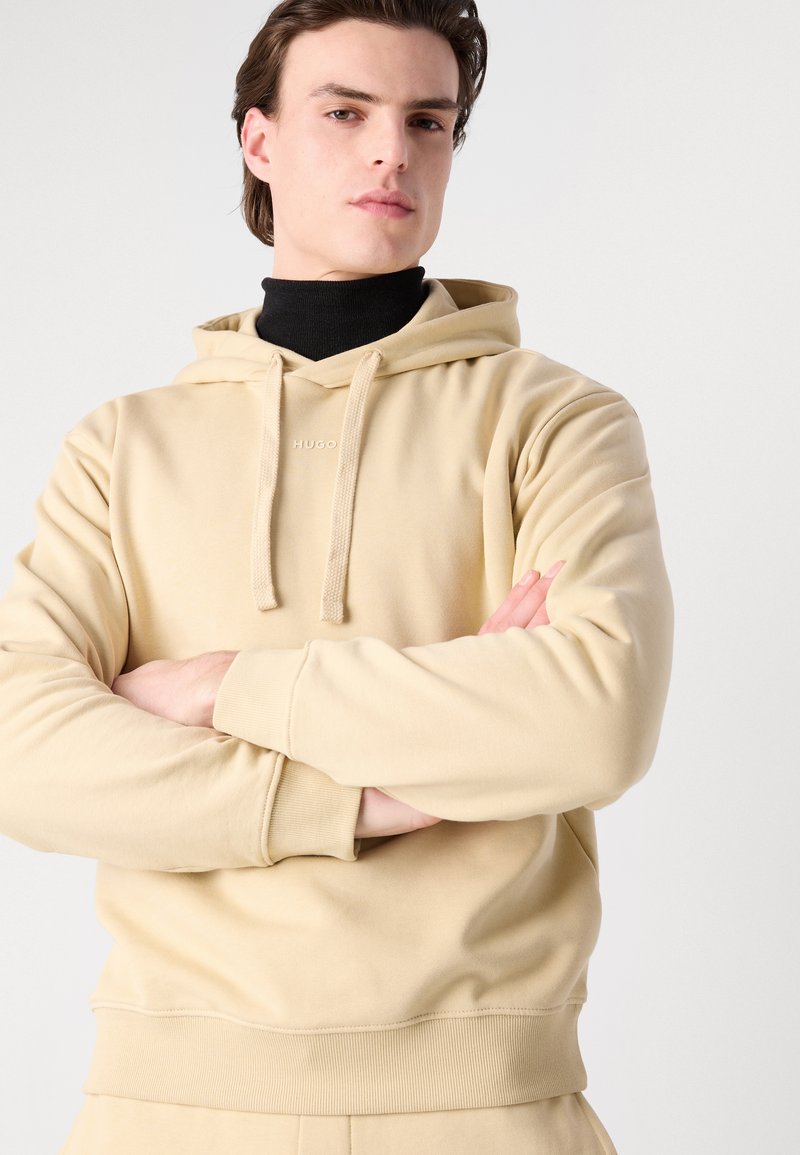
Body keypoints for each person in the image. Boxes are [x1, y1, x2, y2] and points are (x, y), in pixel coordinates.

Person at [0, 1, 672, 1151]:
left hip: (485, 1112)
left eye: (427, 121)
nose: (390, 152)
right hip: (165, 1114)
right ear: (258, 140)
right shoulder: (122, 447)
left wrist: (216, 685)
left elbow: (592, 720)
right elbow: (22, 754)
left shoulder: (556, 422)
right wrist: (362, 802)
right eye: (345, 113)